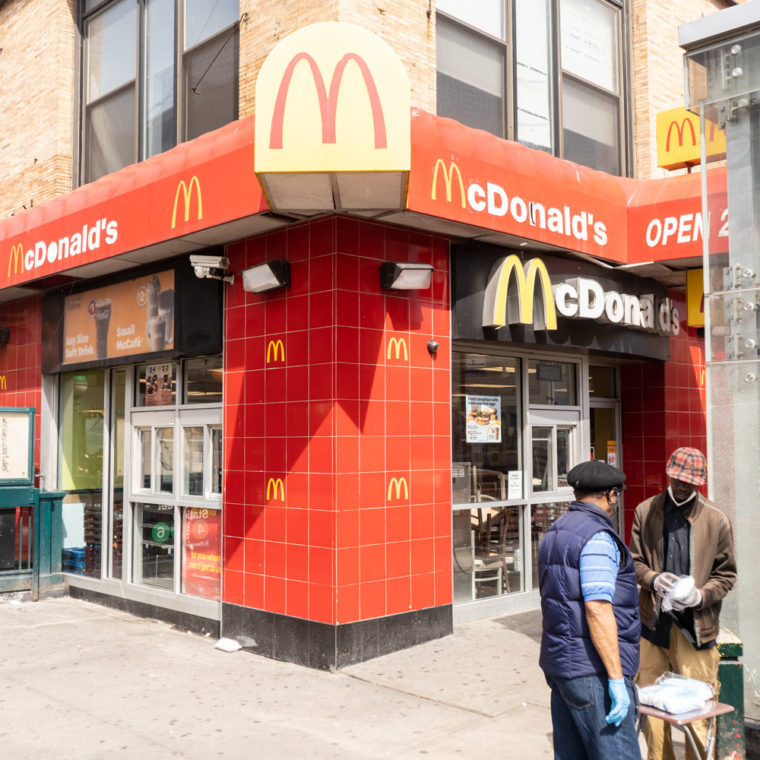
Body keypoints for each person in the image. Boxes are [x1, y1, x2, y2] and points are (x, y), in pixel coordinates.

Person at [630, 447, 737, 760]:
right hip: (653, 626)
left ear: (699, 483)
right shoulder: (645, 511)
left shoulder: (716, 519)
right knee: (650, 711)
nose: (683, 486)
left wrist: (700, 596)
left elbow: (726, 575)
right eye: (678, 480)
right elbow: (633, 561)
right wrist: (651, 578)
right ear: (668, 473)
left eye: (690, 483)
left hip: (696, 629)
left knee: (698, 712)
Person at [539, 460, 641, 759]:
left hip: (561, 666)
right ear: (610, 494)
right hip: (592, 673)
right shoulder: (597, 538)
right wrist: (616, 679)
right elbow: (597, 609)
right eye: (616, 495)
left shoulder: (557, 531)